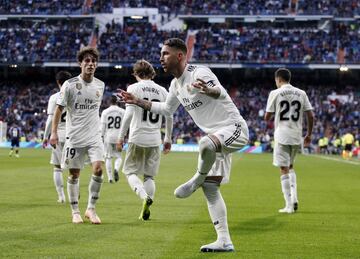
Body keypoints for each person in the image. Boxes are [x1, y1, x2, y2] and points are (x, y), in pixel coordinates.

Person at [118, 38, 249, 252]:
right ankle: (224, 240)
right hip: (217, 137)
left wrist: (208, 90)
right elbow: (167, 110)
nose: (161, 58)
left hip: (234, 128)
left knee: (205, 144)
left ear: (180, 55)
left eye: (165, 54)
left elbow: (219, 92)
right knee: (211, 188)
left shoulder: (199, 73)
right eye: (161, 54)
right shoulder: (175, 84)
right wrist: (137, 101)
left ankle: (197, 178)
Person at [50, 46, 105, 224]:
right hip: (74, 137)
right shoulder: (70, 85)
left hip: (94, 136)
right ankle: (75, 211)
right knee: (74, 174)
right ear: (80, 63)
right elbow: (59, 110)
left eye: (93, 61)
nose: (91, 64)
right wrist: (53, 133)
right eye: (87, 61)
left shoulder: (100, 85)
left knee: (98, 169)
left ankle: (91, 209)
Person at [117, 59, 173, 221]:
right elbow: (169, 115)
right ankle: (148, 203)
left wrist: (121, 137)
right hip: (155, 139)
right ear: (151, 74)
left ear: (137, 74)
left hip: (137, 137)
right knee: (149, 177)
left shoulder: (134, 88)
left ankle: (144, 197)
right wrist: (168, 138)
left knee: (130, 172)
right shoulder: (163, 91)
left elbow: (128, 115)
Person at [265, 68, 314, 214]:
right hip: (296, 135)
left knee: (283, 168)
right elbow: (311, 116)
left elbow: (267, 117)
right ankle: (295, 198)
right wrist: (309, 134)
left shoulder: (275, 93)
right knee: (291, 166)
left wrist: (273, 113)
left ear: (278, 79)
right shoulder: (302, 93)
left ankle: (288, 205)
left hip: (282, 134)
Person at [43, 70, 72, 203]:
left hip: (58, 134)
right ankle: (73, 194)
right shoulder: (75, 96)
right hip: (73, 135)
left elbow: (50, 119)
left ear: (58, 82)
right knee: (74, 168)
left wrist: (45, 136)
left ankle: (61, 196)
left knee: (57, 167)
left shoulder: (54, 97)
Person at [100, 95, 125, 183]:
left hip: (108, 137)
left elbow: (102, 126)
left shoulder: (105, 112)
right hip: (119, 137)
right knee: (119, 157)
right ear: (117, 101)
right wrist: (123, 136)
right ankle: (116, 169)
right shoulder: (123, 111)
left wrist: (101, 137)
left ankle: (110, 178)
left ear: (109, 102)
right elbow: (125, 125)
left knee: (108, 157)